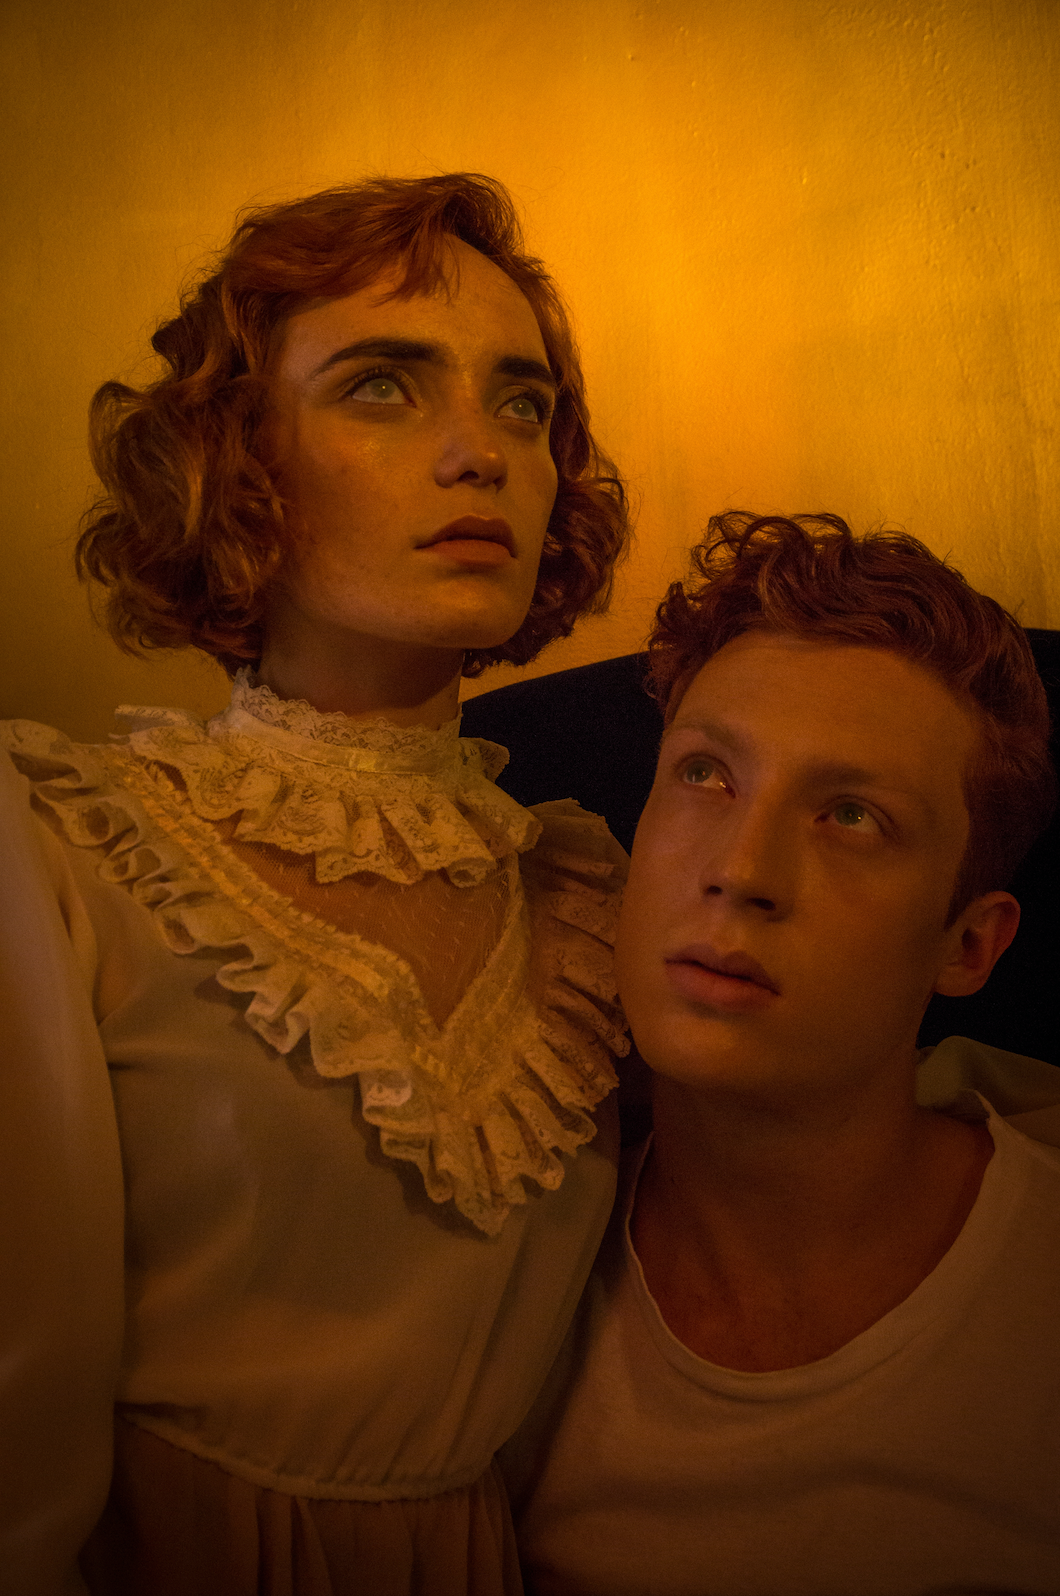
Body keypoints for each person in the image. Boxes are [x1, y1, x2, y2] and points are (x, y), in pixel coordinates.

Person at [0, 174, 632, 1596]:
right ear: (238, 459)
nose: (479, 453)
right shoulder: (57, 854)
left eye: (522, 403)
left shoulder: (593, 890)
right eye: (383, 387)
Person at [506, 513, 1060, 1596]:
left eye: (850, 815)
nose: (742, 871)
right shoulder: (486, 1287)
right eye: (706, 775)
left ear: (967, 944)